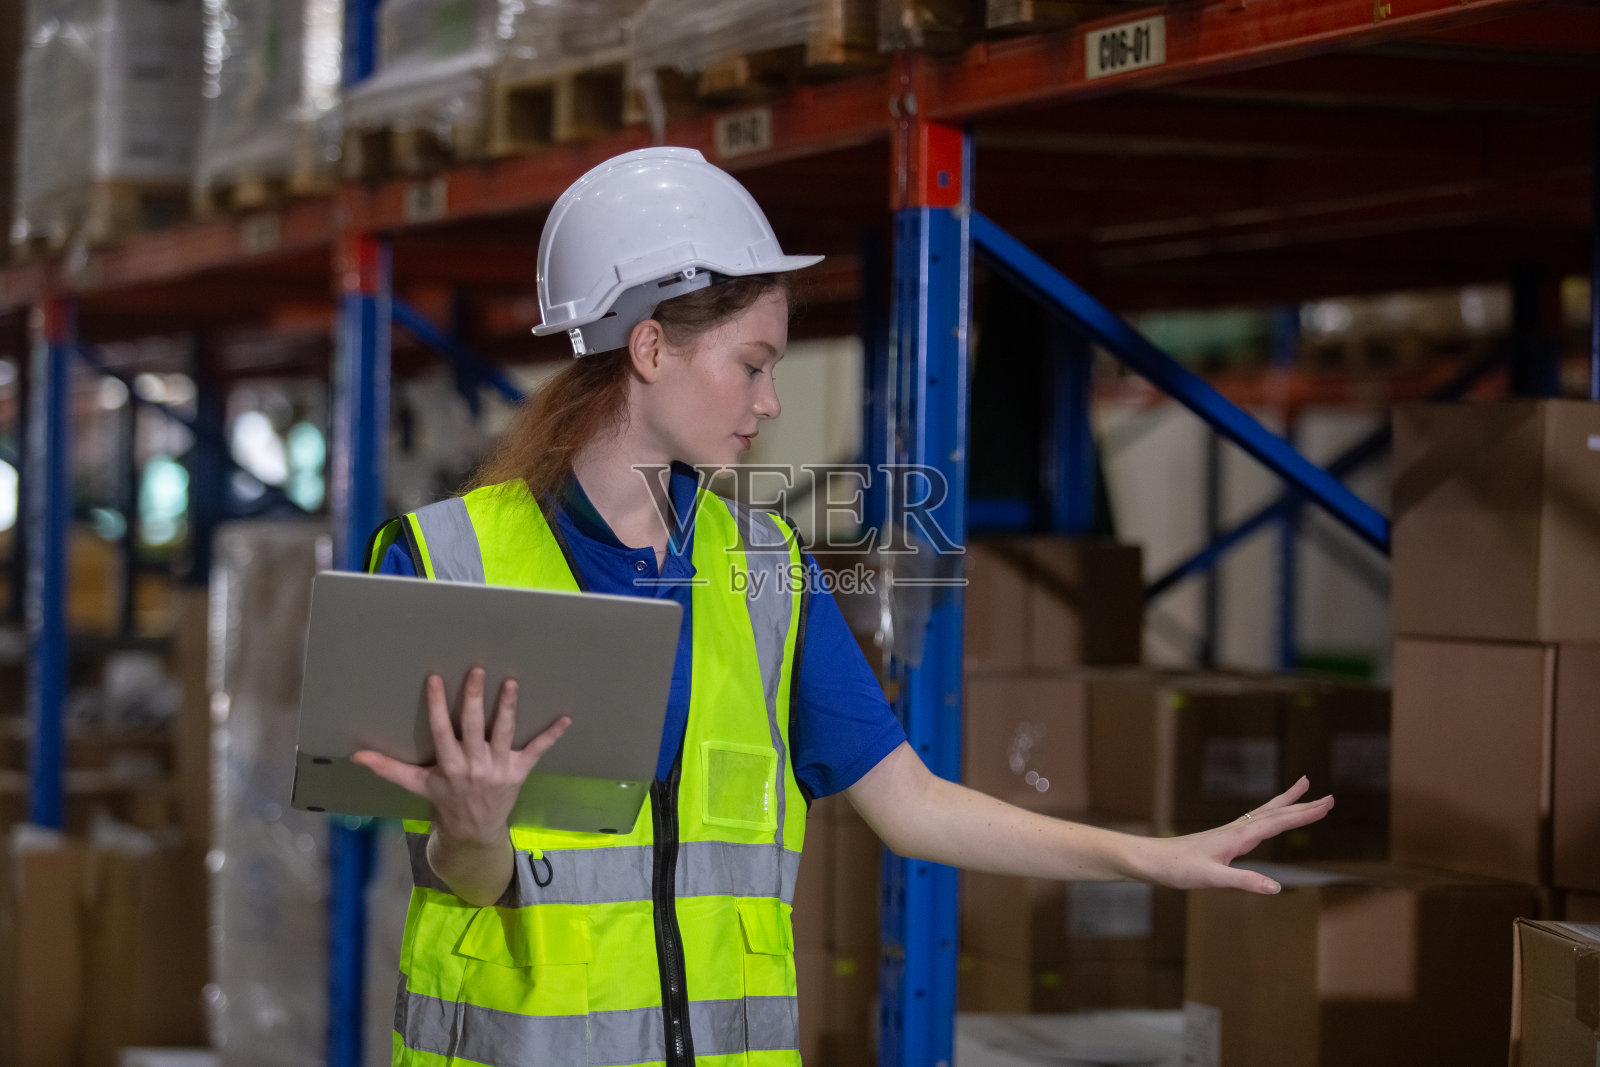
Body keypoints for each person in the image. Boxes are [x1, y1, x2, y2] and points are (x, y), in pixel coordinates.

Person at [352, 147, 1335, 1067]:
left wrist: (1150, 857)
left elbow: (912, 804)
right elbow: (461, 877)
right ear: (649, 347)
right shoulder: (446, 561)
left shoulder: (767, 570)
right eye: (752, 363)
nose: (770, 400)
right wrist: (473, 828)